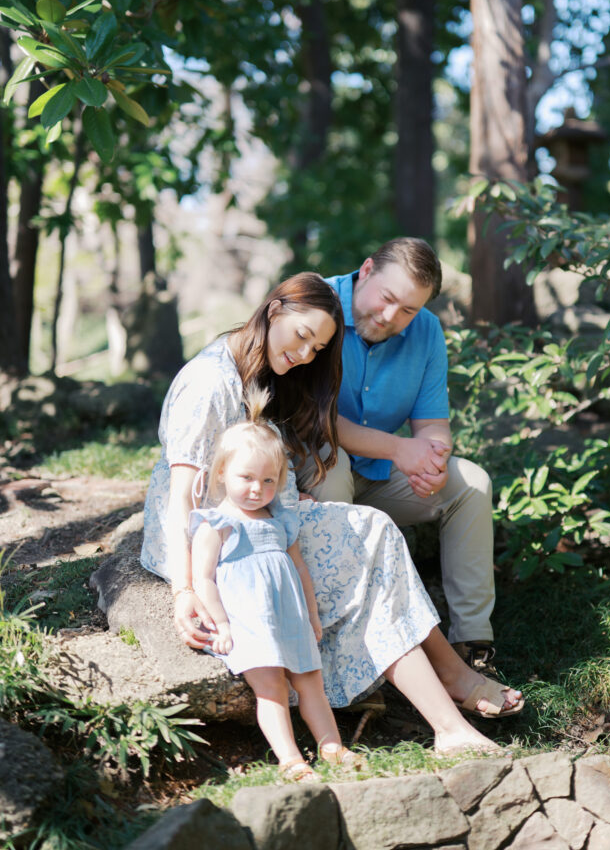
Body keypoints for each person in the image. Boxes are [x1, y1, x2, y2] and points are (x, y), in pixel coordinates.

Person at [142, 272, 522, 762]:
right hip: (213, 536)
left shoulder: (264, 368)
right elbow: (182, 500)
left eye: (318, 348)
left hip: (258, 513)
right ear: (274, 309)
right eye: (302, 337)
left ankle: (449, 713)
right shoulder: (209, 381)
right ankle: (449, 699)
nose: (305, 356)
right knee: (369, 539)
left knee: (373, 531)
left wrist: (291, 498)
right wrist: (185, 590)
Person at [306, 238, 500, 675]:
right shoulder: (316, 303)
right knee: (331, 465)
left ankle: (473, 644)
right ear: (367, 269)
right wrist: (400, 450)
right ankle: (339, 642)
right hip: (307, 474)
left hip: (375, 475)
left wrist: (431, 463)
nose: (391, 317)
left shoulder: (427, 331)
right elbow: (314, 420)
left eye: (408, 309)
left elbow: (433, 426)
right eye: (387, 298)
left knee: (471, 484)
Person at [190, 390, 363, 782]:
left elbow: (299, 568)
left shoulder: (281, 519)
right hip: (249, 623)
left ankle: (332, 746)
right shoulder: (216, 523)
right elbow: (203, 578)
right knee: (271, 688)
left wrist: (313, 614)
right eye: (246, 478)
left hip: (291, 618)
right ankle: (290, 760)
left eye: (269, 480)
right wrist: (222, 624)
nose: (257, 489)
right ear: (222, 474)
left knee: (310, 683)